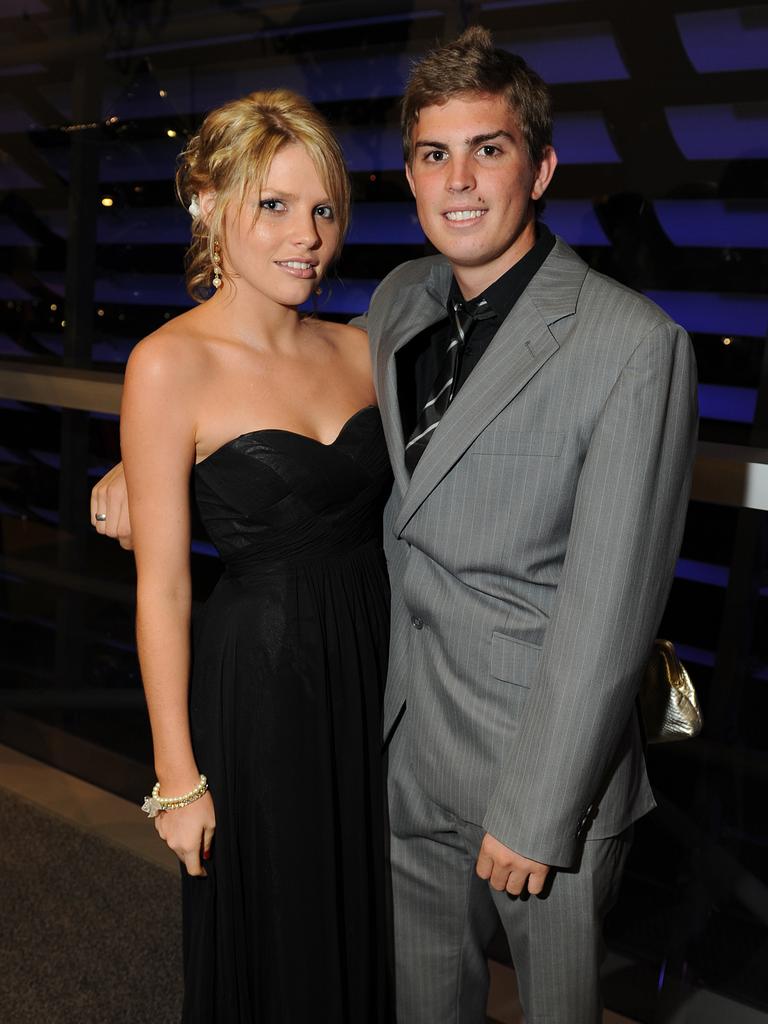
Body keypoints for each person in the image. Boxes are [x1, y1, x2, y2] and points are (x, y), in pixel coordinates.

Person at [93, 27, 698, 1024]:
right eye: (432, 154)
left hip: (468, 740)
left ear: (540, 167)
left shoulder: (573, 337)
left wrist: (540, 806)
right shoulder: (362, 311)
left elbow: (613, 605)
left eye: (489, 149)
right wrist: (142, 460)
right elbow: (196, 510)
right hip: (331, 721)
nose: (306, 235)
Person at [105, 89, 393, 1023]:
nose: (305, 234)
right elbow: (164, 591)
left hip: (374, 676)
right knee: (279, 939)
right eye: (273, 205)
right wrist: (176, 781)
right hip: (261, 693)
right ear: (209, 204)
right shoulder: (166, 364)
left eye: (322, 208)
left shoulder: (362, 347)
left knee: (370, 930)